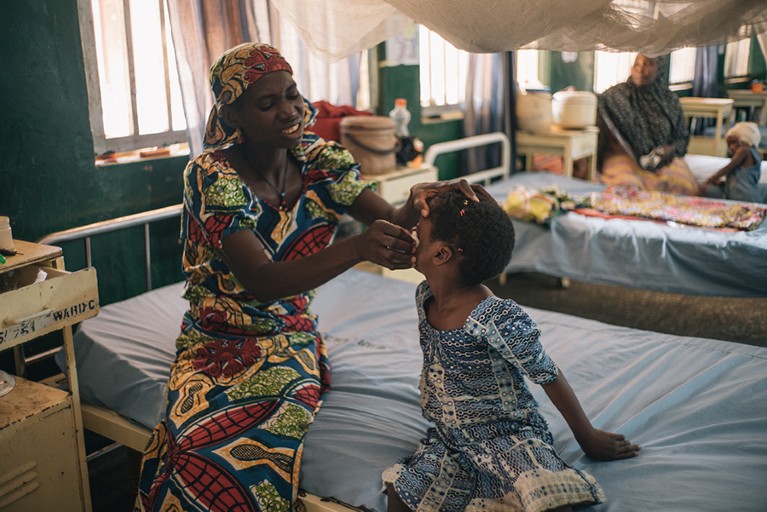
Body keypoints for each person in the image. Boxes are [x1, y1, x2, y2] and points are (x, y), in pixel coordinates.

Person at [134, 42, 478, 511]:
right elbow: (261, 280)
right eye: (267, 103)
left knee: (260, 442)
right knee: (195, 448)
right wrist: (357, 247)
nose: (290, 111)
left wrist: (421, 200)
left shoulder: (319, 160)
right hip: (218, 340)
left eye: (292, 94)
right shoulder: (210, 175)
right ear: (232, 117)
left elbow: (391, 219)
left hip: (290, 334)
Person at [383, 187, 640, 512]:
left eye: (418, 232)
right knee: (402, 492)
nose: (411, 235)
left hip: (504, 432)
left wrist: (587, 437)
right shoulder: (425, 296)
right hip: (450, 438)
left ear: (441, 255)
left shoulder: (495, 317)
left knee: (543, 493)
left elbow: (547, 373)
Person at [597, 54, 700, 196]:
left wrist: (669, 150)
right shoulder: (616, 96)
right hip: (625, 156)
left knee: (679, 187)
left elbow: (682, 137)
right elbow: (596, 104)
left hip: (664, 160)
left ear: (660, 69)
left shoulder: (670, 101)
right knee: (627, 187)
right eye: (637, 65)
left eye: (648, 64)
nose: (640, 70)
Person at [701, 121, 763, 203]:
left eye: (734, 142)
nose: (731, 147)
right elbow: (740, 178)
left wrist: (710, 179)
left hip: (744, 196)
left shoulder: (744, 150)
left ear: (744, 139)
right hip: (745, 194)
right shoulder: (753, 153)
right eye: (729, 144)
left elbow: (728, 167)